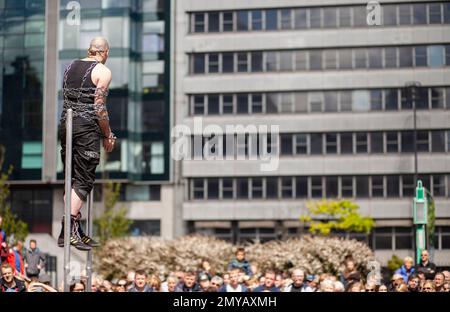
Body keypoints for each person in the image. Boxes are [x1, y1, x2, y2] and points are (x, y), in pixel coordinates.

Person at [58, 37, 115, 251]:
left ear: (88, 50)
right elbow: (99, 106)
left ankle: (72, 230)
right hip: (86, 129)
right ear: (105, 52)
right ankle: (68, 229)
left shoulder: (69, 67)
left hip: (66, 124)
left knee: (71, 179)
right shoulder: (103, 71)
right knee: (83, 179)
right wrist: (108, 133)